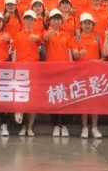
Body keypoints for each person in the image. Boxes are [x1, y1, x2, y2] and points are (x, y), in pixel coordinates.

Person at [73, 13, 103, 139]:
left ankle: (95, 127)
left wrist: (99, 61)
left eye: (89, 23)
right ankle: (84, 127)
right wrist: (79, 54)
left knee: (95, 101)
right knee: (84, 100)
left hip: (95, 74)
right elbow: (74, 55)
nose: (87, 25)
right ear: (81, 25)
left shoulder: (97, 38)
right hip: (81, 73)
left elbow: (104, 55)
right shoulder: (76, 38)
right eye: (85, 23)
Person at [44, 9, 73, 137]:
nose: (56, 22)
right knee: (54, 97)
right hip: (51, 70)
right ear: (50, 21)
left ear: (61, 21)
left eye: (58, 19)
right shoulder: (46, 33)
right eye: (53, 19)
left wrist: (71, 66)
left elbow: (69, 51)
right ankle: (55, 125)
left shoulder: (66, 35)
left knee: (65, 97)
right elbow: (44, 39)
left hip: (65, 70)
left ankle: (65, 125)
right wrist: (49, 34)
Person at [12, 10, 41, 136]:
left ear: (34, 21)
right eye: (27, 19)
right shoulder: (18, 35)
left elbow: (39, 39)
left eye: (31, 19)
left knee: (33, 99)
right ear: (23, 20)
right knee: (21, 97)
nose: (29, 21)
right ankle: (23, 125)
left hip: (33, 68)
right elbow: (15, 51)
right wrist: (13, 67)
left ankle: (30, 127)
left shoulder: (38, 32)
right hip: (20, 69)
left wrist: (36, 38)